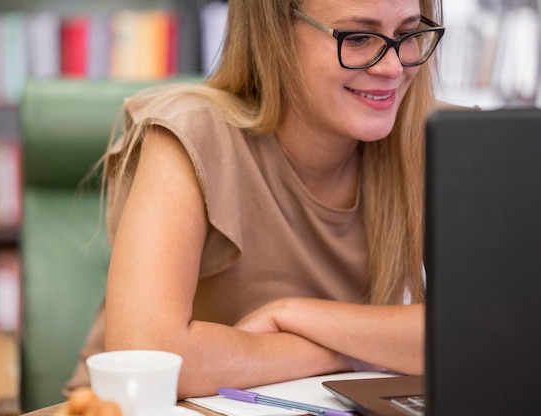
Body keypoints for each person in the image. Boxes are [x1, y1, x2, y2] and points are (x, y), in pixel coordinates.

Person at [99, 0, 445, 399]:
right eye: (359, 38)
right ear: (274, 36)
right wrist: (351, 350)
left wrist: (297, 315)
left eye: (407, 34)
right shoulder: (190, 134)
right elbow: (147, 360)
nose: (393, 68)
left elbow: (501, 333)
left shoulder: (440, 136)